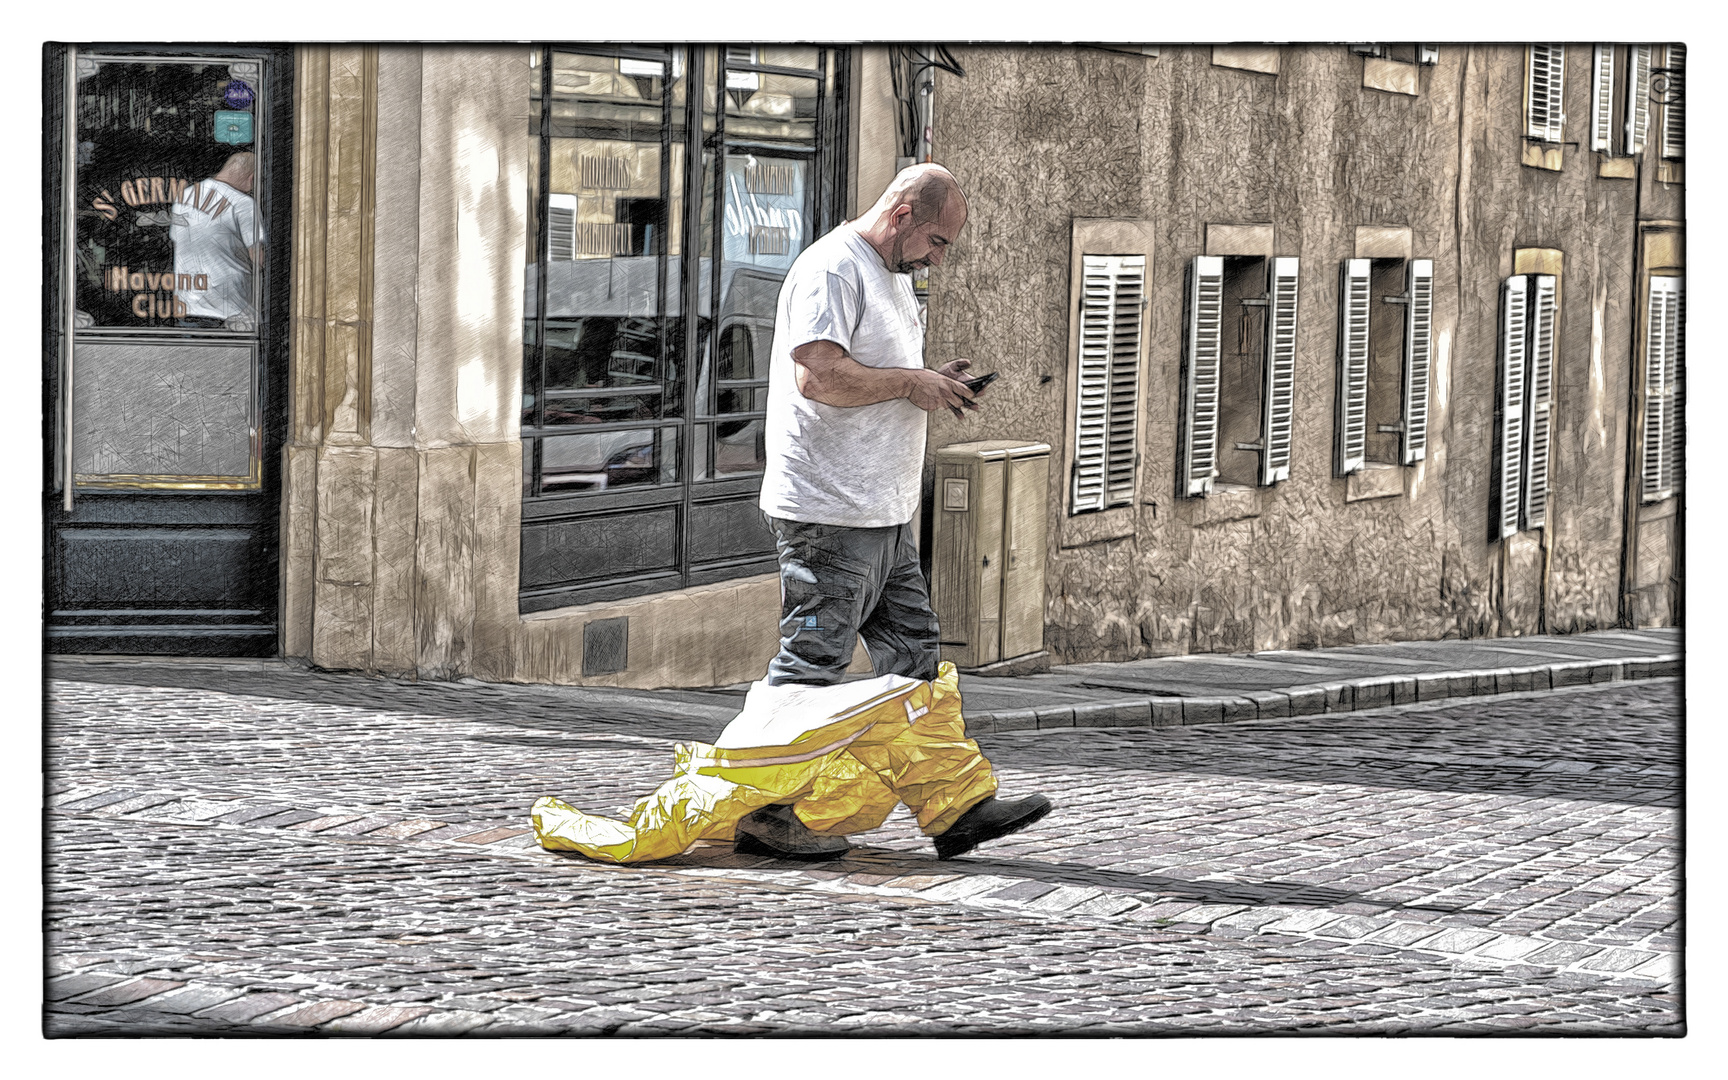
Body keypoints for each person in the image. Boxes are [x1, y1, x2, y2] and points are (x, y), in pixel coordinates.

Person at [531, 165, 1051, 865]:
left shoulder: (889, 276)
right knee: (810, 669)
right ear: (900, 214)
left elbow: (871, 373)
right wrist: (909, 380)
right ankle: (767, 813)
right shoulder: (834, 270)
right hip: (830, 513)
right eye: (935, 240)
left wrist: (930, 382)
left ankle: (956, 809)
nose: (938, 257)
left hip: (882, 510)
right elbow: (820, 376)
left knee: (915, 664)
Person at [168, 151, 264, 330]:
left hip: (188, 305)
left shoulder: (184, 196)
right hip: (230, 308)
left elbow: (178, 242)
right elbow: (258, 257)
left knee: (196, 357)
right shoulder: (243, 203)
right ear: (252, 179)